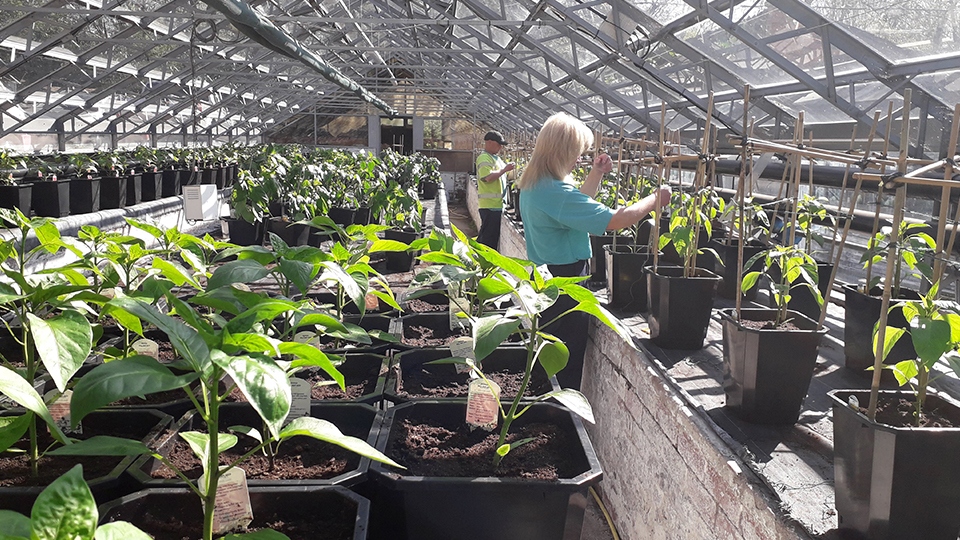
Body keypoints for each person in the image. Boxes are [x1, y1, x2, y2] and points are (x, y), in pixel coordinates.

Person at [518, 112, 671, 390]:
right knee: (566, 354)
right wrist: (655, 199)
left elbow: (574, 208)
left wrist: (596, 173)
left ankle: (545, 407)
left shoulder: (536, 186)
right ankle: (559, 415)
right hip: (565, 282)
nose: (579, 158)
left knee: (548, 348)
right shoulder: (556, 193)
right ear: (562, 152)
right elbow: (617, 221)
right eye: (578, 153)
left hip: (544, 277)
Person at [475, 130, 515, 250]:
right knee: (488, 239)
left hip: (497, 205)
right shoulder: (483, 158)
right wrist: (504, 170)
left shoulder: (496, 158)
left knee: (488, 235)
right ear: (489, 142)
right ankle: (483, 262)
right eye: (498, 144)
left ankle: (476, 257)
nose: (500, 147)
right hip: (489, 206)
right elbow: (487, 178)